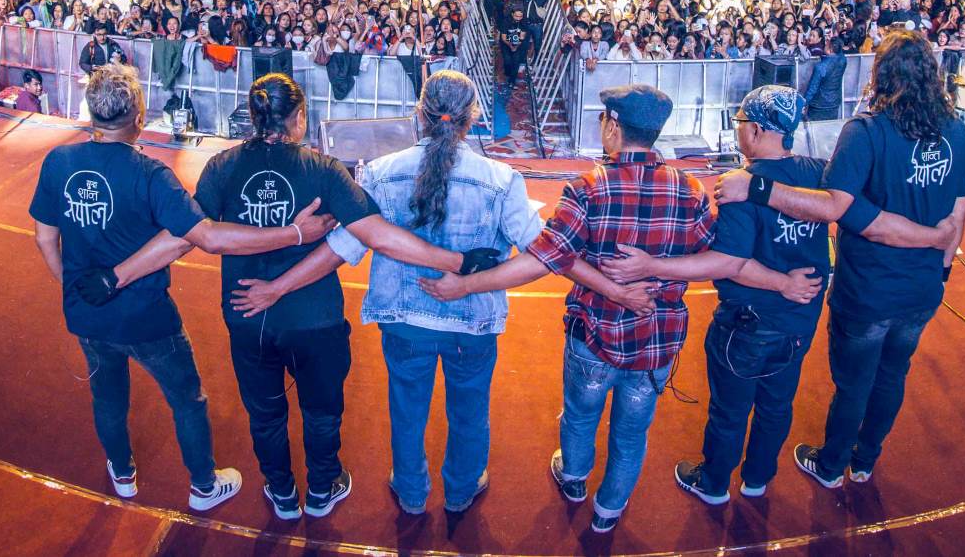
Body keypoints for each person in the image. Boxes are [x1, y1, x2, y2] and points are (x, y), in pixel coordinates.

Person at [224, 71, 626, 515]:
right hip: (472, 324)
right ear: (473, 118)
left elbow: (343, 247)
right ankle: (461, 487)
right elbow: (544, 253)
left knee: (407, 409)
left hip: (404, 321)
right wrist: (612, 285)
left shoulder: (379, 173)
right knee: (470, 411)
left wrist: (278, 288)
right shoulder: (502, 179)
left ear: (420, 114)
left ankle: (412, 491)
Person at [110, 73, 501, 522]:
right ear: (299, 118)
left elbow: (185, 237)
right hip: (315, 320)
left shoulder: (221, 167)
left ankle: (280, 491)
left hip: (246, 315)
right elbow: (380, 236)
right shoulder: (324, 169)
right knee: (321, 411)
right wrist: (458, 262)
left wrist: (116, 277)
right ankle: (321, 488)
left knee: (265, 413)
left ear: (253, 118)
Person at [28, 63, 337, 512]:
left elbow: (44, 237)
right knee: (187, 399)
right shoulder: (151, 175)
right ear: (139, 115)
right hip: (147, 316)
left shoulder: (59, 161)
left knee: (107, 395)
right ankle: (203, 485)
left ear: (91, 111)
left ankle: (122, 471)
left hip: (86, 312)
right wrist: (294, 233)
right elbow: (206, 237)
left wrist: (73, 288)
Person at [421, 84, 724, 534]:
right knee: (631, 433)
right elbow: (712, 260)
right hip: (655, 341)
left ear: (614, 126)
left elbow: (546, 257)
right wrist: (658, 268)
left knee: (580, 413)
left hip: (594, 335)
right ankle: (609, 510)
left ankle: (575, 478)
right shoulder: (692, 190)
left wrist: (465, 285)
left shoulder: (590, 188)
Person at [715, 29, 965, 489]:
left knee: (855, 382)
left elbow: (840, 211)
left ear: (881, 73)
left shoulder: (866, 131)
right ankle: (866, 460)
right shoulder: (955, 130)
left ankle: (832, 466)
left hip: (870, 288)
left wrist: (755, 186)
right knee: (893, 374)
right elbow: (959, 212)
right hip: (924, 288)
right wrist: (940, 257)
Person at [598, 85, 833, 503]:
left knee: (730, 409)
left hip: (750, 322)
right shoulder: (816, 173)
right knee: (777, 404)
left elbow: (728, 262)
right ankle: (758, 479)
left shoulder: (742, 186)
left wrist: (651, 266)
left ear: (758, 131)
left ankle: (714, 483)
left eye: (741, 123)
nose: (738, 130)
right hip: (800, 319)